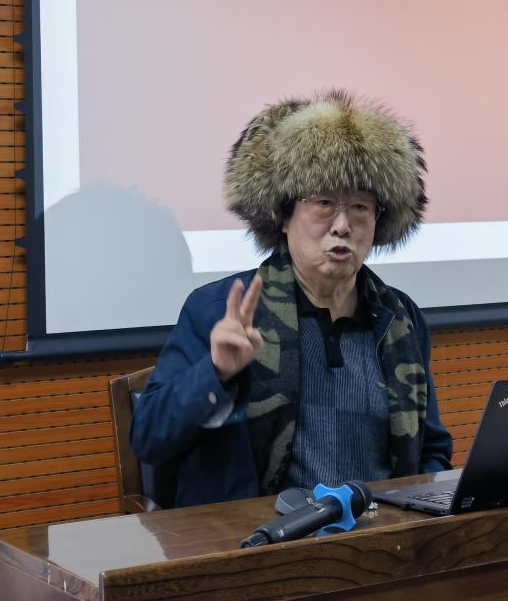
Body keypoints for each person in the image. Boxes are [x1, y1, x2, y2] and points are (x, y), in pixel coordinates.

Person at [130, 90, 453, 507]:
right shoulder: (219, 311)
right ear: (283, 217)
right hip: (261, 535)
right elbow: (148, 439)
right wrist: (215, 372)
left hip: (381, 530)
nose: (342, 224)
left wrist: (418, 513)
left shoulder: (398, 318)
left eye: (360, 206)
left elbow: (431, 448)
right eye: (324, 203)